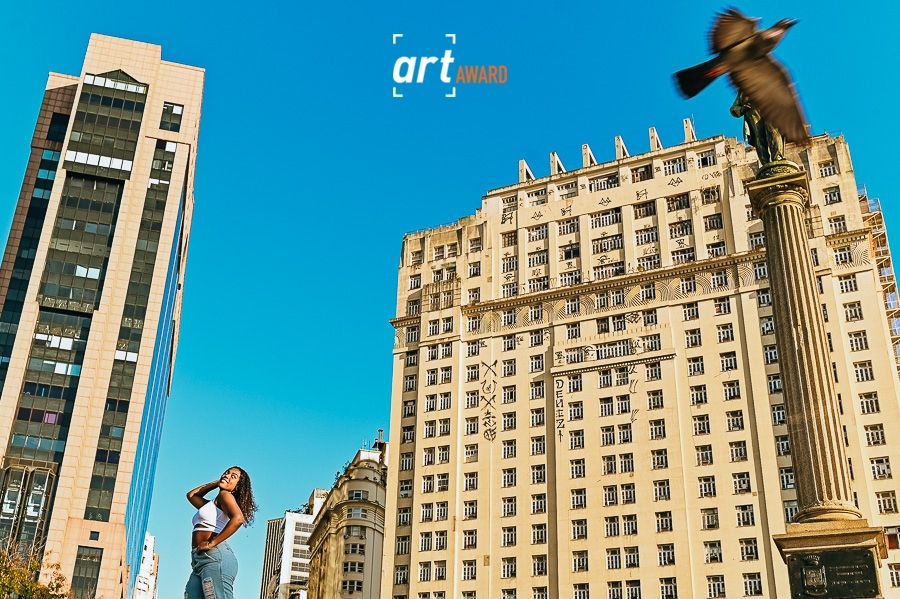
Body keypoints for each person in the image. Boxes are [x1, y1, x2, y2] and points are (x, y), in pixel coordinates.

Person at [185, 467, 258, 599]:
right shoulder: (213, 504)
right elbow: (192, 495)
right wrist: (217, 482)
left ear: (237, 487)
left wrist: (211, 543)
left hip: (214, 557)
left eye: (233, 476)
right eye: (226, 473)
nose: (227, 475)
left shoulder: (225, 495)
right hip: (198, 560)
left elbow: (238, 519)